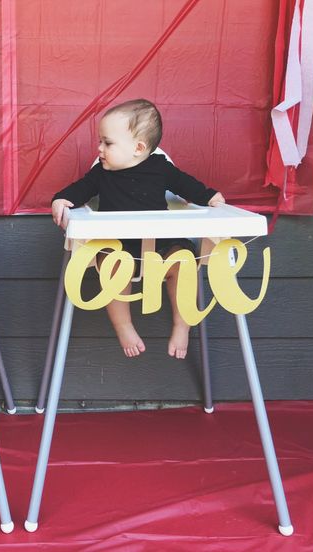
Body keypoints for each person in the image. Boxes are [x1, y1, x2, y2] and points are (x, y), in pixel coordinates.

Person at [51, 99, 225, 359]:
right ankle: (124, 326)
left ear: (138, 148)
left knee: (185, 262)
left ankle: (182, 324)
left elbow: (188, 186)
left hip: (163, 243)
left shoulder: (161, 169)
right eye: (100, 141)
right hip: (118, 246)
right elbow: (80, 189)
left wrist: (210, 197)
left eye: (107, 143)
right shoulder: (101, 173)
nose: (99, 148)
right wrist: (62, 198)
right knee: (114, 268)